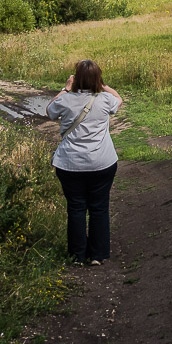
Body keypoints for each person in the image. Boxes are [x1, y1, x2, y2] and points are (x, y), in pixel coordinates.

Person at [47, 59, 122, 266]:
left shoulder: (66, 99)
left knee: (76, 208)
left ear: (76, 78)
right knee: (99, 207)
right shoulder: (105, 99)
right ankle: (98, 255)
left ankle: (77, 255)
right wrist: (101, 84)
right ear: (98, 79)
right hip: (102, 162)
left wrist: (66, 88)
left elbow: (50, 110)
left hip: (70, 163)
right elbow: (119, 99)